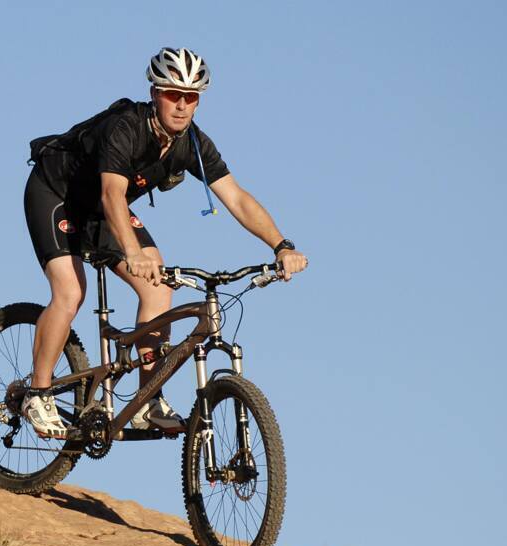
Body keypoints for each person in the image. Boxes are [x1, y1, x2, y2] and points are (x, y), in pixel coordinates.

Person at [22, 47, 308, 439]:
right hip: (57, 193)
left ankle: (147, 399)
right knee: (71, 293)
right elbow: (111, 195)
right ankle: (37, 393)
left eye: (191, 97)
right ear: (156, 92)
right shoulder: (126, 127)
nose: (182, 105)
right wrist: (133, 252)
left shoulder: (192, 144)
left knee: (160, 288)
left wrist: (281, 246)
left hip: (104, 210)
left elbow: (237, 198)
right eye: (174, 94)